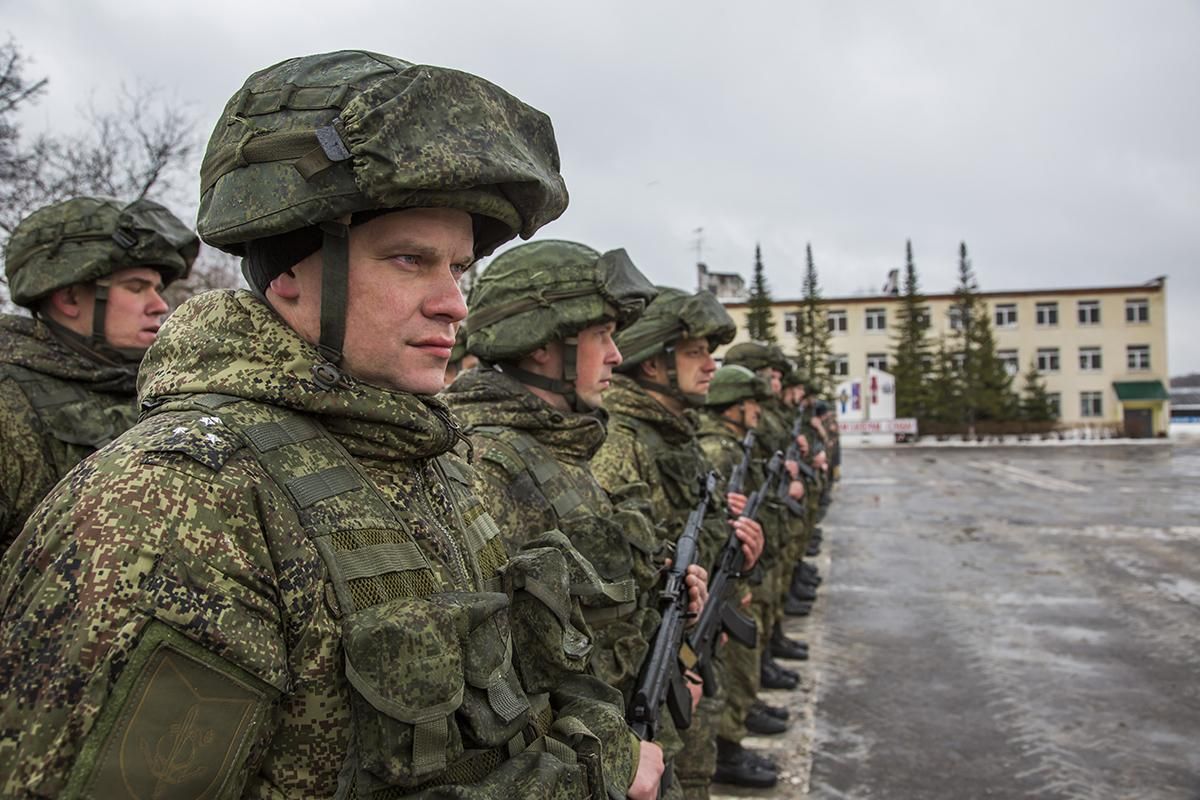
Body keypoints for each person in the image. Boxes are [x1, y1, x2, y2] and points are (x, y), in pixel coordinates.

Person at [0, 50, 629, 799]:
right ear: (289, 271)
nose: (453, 304)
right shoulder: (175, 505)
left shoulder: (434, 462)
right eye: (409, 260)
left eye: (457, 268)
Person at [442, 239, 688, 799]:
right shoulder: (490, 464)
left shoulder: (562, 450)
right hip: (582, 761)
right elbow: (501, 681)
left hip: (621, 736)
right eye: (601, 335)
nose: (617, 356)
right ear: (539, 347)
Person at [590, 288, 764, 800]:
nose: (711, 365)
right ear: (651, 363)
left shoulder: (675, 436)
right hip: (652, 675)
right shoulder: (621, 445)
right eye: (695, 353)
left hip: (687, 648)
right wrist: (680, 657)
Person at [0, 196, 197, 549]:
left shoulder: (166, 392)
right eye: (136, 288)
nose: (160, 305)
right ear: (70, 298)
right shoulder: (9, 403)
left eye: (157, 288)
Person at [695, 365, 791, 787]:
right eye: (750, 401)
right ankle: (729, 748)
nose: (756, 409)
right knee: (726, 669)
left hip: (735, 566)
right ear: (732, 405)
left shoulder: (733, 444)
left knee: (738, 660)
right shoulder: (720, 449)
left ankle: (733, 735)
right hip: (717, 576)